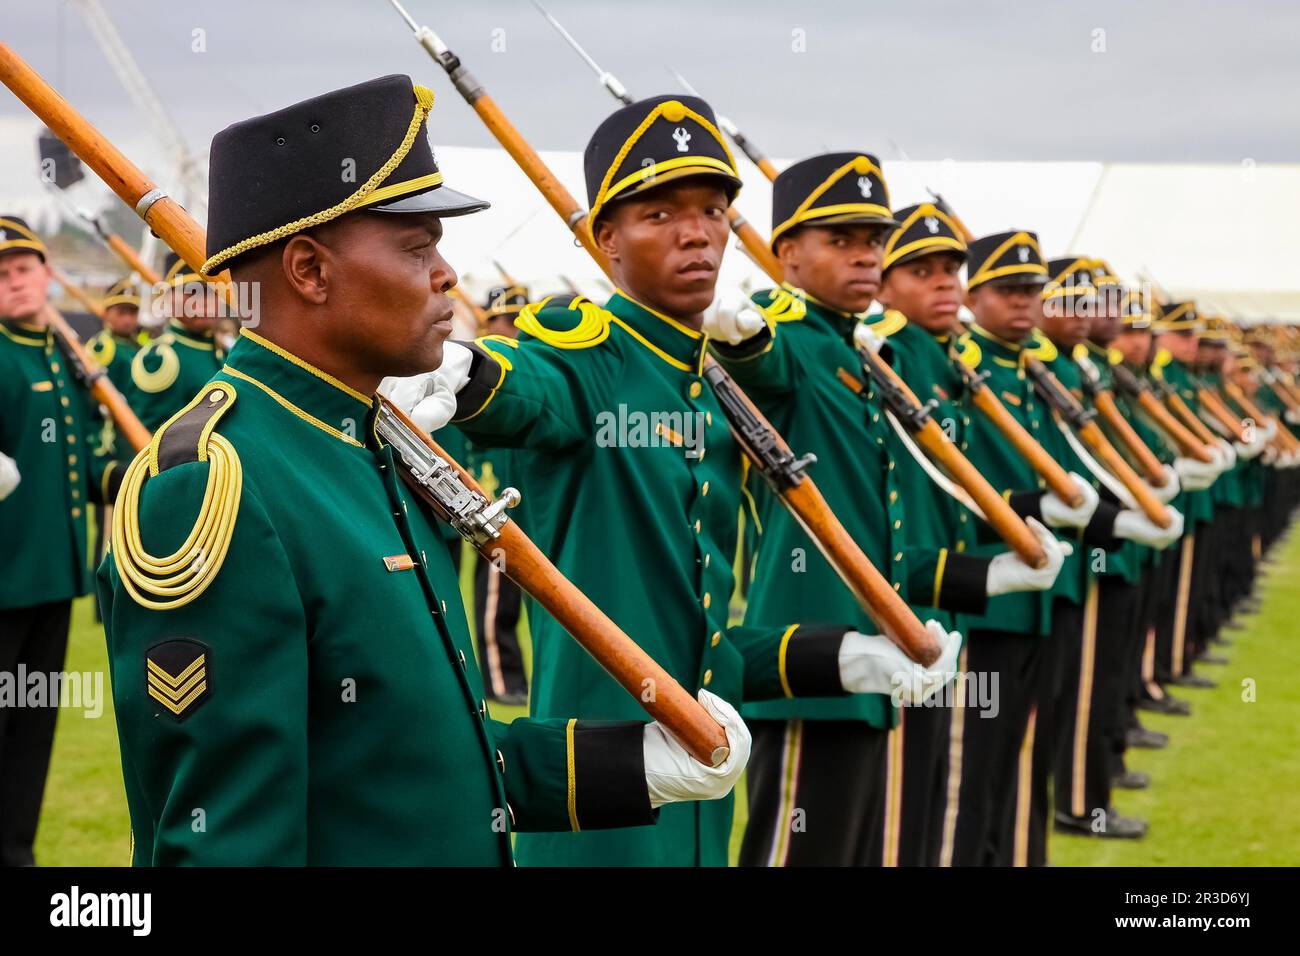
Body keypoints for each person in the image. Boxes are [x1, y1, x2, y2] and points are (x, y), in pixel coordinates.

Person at [99, 75, 751, 866]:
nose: (447, 274)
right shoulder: (214, 482)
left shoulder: (374, 445)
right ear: (309, 271)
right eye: (417, 248)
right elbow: (225, 845)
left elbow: (424, 755)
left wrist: (632, 764)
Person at [389, 96, 960, 866]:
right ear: (606, 239)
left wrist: (847, 655)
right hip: (601, 796)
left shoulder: (709, 389)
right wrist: (469, 374)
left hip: (696, 801)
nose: (698, 232)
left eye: (714, 211)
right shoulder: (593, 358)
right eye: (660, 213)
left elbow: (707, 647)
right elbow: (533, 391)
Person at [704, 163, 1065, 867]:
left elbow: (888, 533)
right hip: (811, 658)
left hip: (877, 660)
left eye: (873, 238)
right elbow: (763, 364)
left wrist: (992, 576)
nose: (867, 253)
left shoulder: (854, 349)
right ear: (788, 255)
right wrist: (742, 340)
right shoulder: (799, 338)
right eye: (842, 239)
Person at [0, 215, 124, 865]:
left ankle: (17, 853)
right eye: (0, 275)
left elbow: (73, 469)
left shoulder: (61, 351)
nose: (14, 282)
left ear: (47, 275)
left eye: (23, 269)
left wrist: (135, 474)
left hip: (51, 581)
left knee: (31, 738)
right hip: (4, 581)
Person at [127, 253, 225, 431]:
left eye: (211, 292)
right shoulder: (159, 360)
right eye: (192, 293)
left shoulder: (224, 351)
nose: (203, 302)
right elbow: (148, 440)